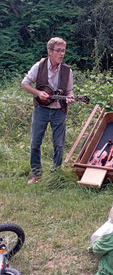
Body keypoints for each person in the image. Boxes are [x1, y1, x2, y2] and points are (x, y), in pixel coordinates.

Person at [21, 37, 74, 185]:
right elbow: (24, 83)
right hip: (41, 110)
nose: (61, 54)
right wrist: (38, 93)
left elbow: (70, 92)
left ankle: (55, 175)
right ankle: (37, 175)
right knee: (35, 143)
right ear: (50, 52)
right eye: (58, 51)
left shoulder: (67, 70)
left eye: (63, 51)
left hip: (59, 110)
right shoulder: (39, 66)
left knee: (59, 144)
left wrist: (70, 98)